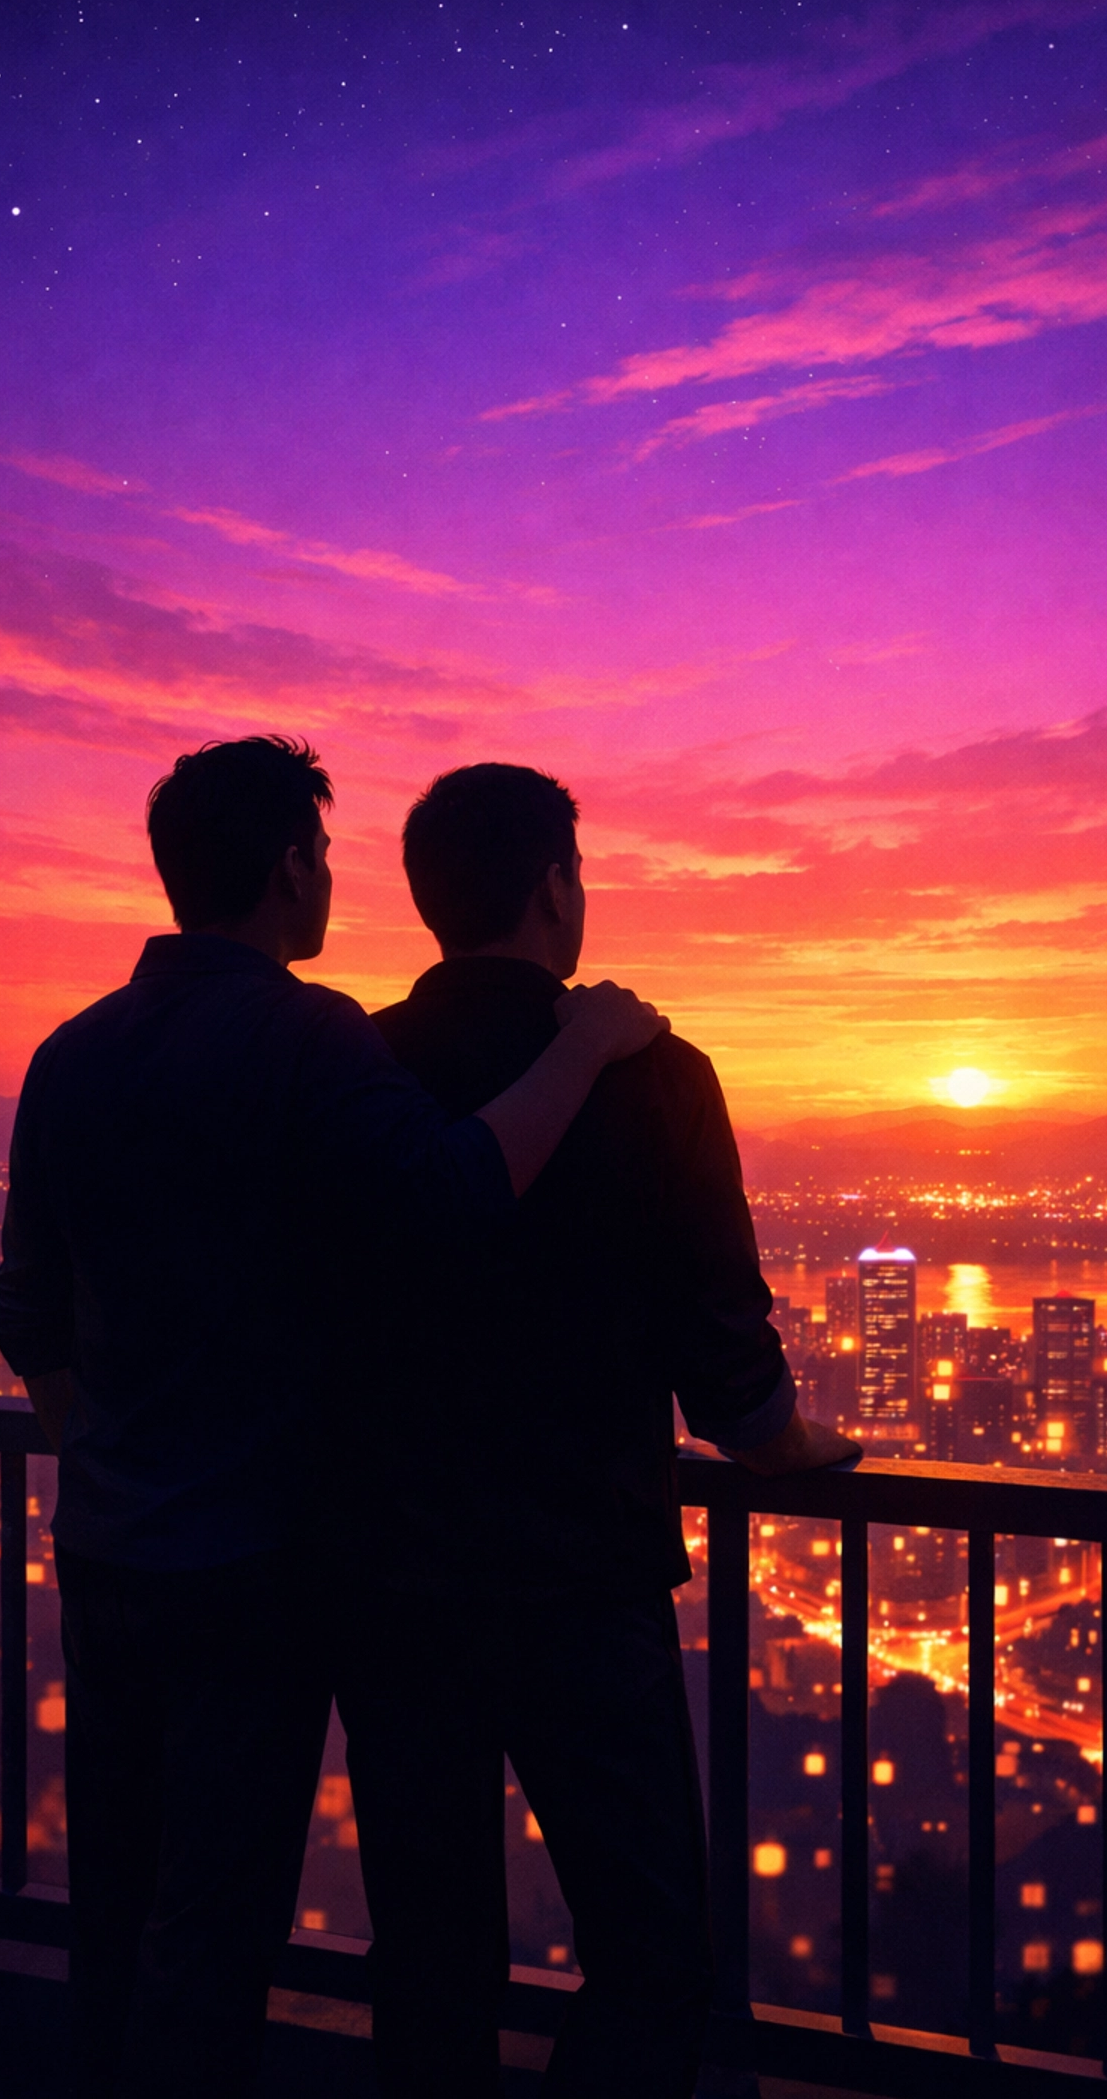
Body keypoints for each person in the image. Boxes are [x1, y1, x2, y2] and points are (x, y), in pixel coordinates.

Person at [0, 737, 665, 2099]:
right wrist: (587, 1045)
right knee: (215, 1919)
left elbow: (29, 1325)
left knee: (117, 1902)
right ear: (293, 867)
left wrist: (117, 1463)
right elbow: (455, 1193)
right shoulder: (307, 1035)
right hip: (256, 1566)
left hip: (109, 1554)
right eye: (325, 854)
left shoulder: (72, 1053)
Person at [333, 762, 858, 2099]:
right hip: (583, 1569)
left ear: (431, 897)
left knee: (429, 1950)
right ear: (558, 890)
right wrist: (786, 1442)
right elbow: (723, 1344)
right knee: (651, 1949)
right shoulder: (655, 1076)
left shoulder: (364, 1067)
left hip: (394, 1574)